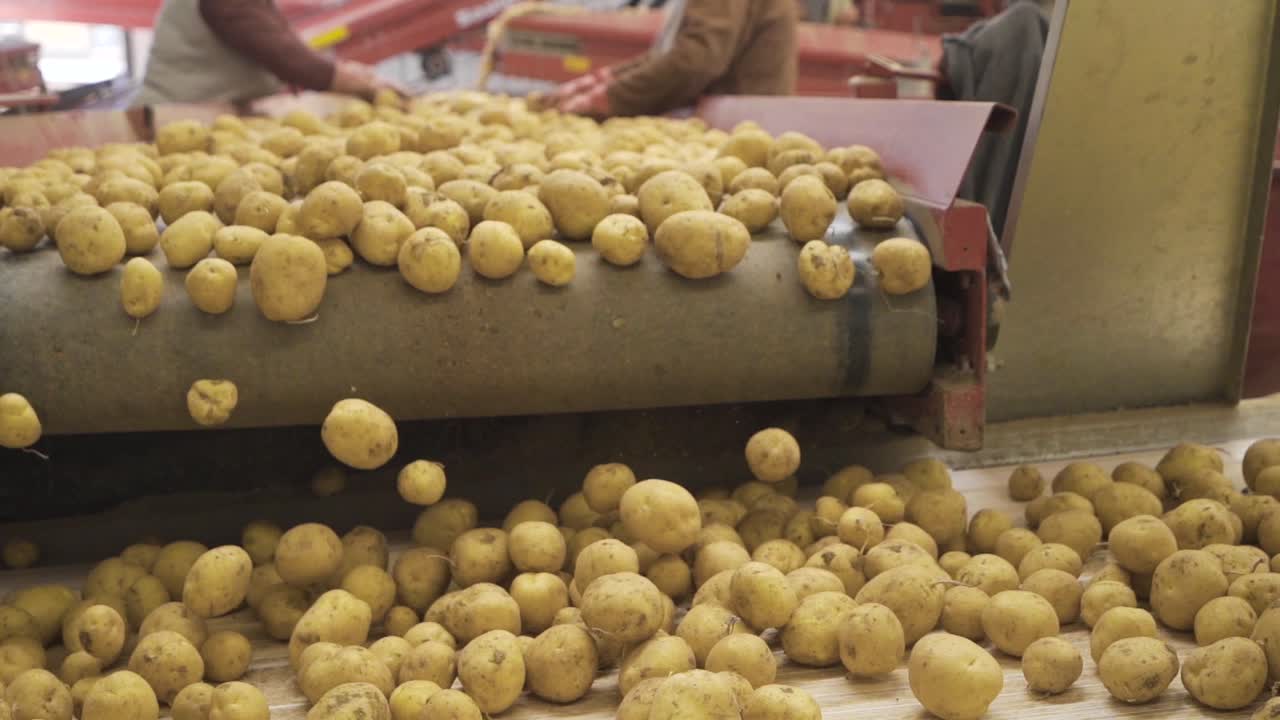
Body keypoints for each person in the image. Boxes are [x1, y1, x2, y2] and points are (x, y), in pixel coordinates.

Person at [555, 0, 798, 117]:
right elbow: (669, 54)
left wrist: (607, 99)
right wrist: (601, 82)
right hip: (733, 127)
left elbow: (696, 60)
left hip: (739, 133)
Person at [133, 0, 396, 107]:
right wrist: (340, 78)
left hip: (209, 117)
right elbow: (277, 50)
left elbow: (283, 38)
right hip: (177, 117)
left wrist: (346, 73)